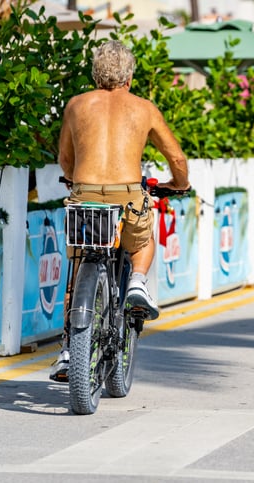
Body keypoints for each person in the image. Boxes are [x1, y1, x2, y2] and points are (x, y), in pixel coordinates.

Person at [50, 40, 190, 381]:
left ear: (97, 75)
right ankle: (137, 284)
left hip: (84, 196)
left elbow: (65, 160)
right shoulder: (144, 108)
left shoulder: (76, 105)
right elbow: (177, 159)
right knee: (142, 242)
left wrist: (74, 179)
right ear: (128, 76)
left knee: (80, 261)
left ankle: (69, 351)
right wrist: (179, 184)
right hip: (127, 196)